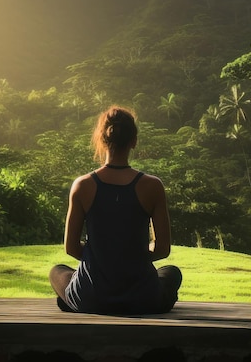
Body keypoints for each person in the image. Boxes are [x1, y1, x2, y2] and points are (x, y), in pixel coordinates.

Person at [49, 106, 182, 315]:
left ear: (101, 140)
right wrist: (129, 258)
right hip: (143, 298)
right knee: (171, 273)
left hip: (92, 296)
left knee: (57, 272)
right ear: (134, 141)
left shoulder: (83, 185)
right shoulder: (152, 186)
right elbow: (162, 249)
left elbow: (71, 247)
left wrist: (105, 259)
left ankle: (74, 300)